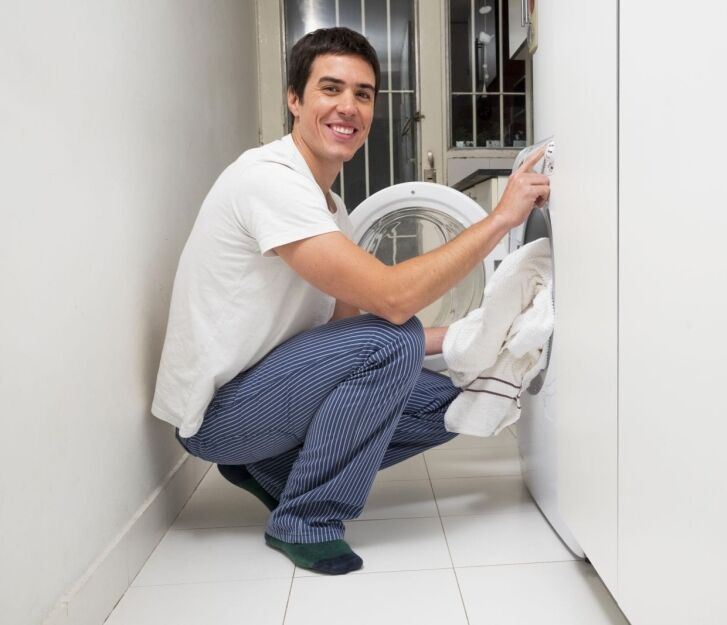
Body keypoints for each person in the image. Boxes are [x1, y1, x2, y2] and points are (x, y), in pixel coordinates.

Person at [151, 27, 549, 575]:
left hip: (269, 392)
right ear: (294, 99)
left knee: (456, 399)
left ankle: (267, 469)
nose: (349, 107)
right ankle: (305, 519)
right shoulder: (268, 180)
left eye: (363, 94)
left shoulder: (330, 207)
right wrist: (503, 217)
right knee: (397, 335)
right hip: (220, 414)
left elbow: (345, 327)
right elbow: (391, 302)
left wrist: (482, 335)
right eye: (330, 89)